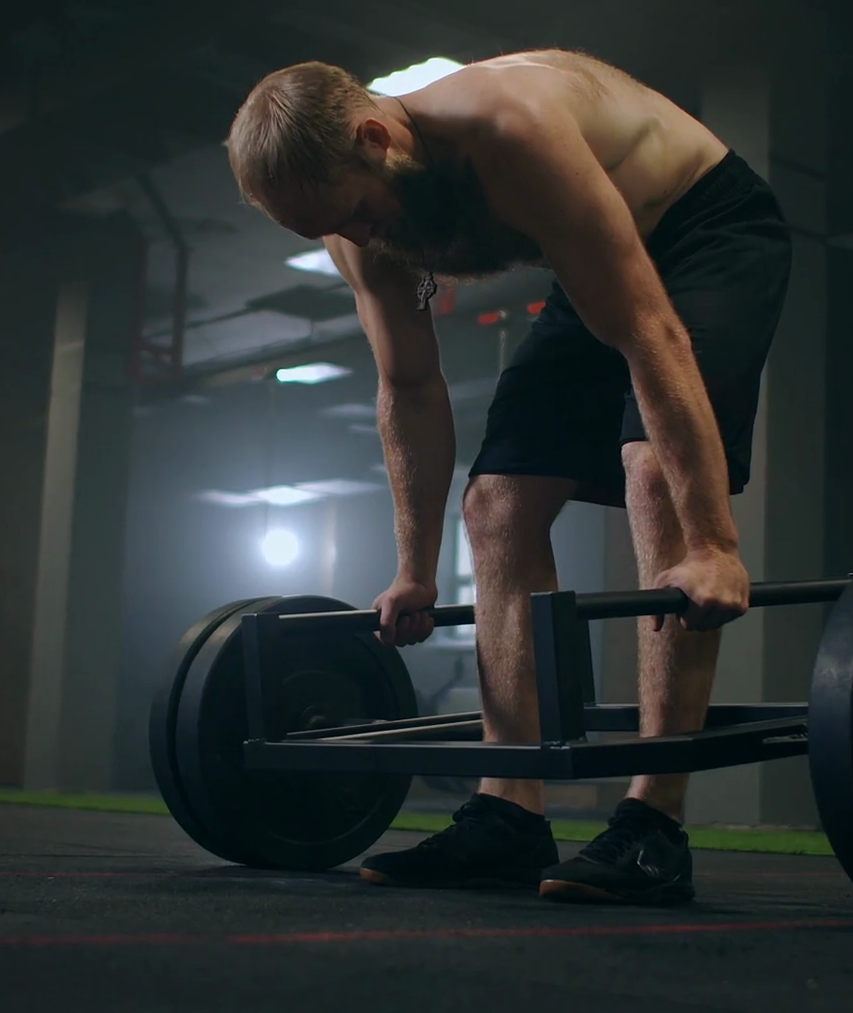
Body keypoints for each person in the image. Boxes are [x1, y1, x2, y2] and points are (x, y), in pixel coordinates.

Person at [225, 49, 791, 905]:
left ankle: (653, 824)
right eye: (329, 232)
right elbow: (408, 385)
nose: (359, 238)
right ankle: (508, 813)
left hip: (704, 227)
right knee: (496, 505)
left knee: (650, 476)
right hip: (594, 250)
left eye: (357, 215)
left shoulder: (511, 130)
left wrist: (713, 539)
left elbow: (649, 332)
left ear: (377, 138)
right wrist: (414, 567)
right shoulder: (355, 226)